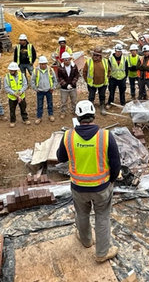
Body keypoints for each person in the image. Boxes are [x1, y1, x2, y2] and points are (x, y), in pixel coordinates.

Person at [56, 101, 121, 263]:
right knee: (102, 217)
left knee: (82, 214)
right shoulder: (105, 136)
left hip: (78, 187)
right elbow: (116, 164)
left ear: (77, 117)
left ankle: (86, 241)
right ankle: (101, 253)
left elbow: (60, 157)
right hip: (101, 187)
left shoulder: (68, 135)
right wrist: (111, 181)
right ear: (93, 116)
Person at [3, 62, 30, 127]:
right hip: (12, 97)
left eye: (13, 70)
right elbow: (6, 87)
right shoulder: (7, 77)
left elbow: (25, 84)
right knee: (12, 109)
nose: (11, 71)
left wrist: (21, 92)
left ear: (16, 70)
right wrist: (15, 94)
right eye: (10, 70)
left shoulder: (21, 75)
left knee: (23, 108)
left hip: (21, 96)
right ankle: (12, 121)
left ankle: (25, 119)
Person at [32, 56, 57, 123]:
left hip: (49, 90)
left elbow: (55, 80)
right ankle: (39, 117)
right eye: (42, 64)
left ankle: (50, 115)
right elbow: (32, 81)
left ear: (46, 63)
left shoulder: (50, 70)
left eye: (44, 64)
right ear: (39, 64)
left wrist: (53, 87)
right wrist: (35, 88)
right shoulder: (36, 71)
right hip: (40, 91)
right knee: (40, 104)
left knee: (50, 103)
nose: (43, 65)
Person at [84, 48, 109, 115]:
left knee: (102, 96)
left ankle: (102, 106)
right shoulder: (89, 61)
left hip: (103, 83)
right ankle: (90, 108)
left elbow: (109, 70)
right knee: (91, 96)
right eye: (94, 55)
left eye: (97, 55)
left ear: (100, 56)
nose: (95, 56)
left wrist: (107, 77)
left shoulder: (105, 61)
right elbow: (84, 72)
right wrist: (87, 81)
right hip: (92, 84)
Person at [57, 52, 80, 119]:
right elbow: (60, 77)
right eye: (65, 60)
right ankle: (63, 112)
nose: (67, 61)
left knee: (74, 101)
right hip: (64, 88)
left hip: (73, 87)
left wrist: (72, 84)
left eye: (68, 59)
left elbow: (76, 75)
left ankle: (75, 111)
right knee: (63, 101)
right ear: (63, 60)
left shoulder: (74, 66)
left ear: (70, 59)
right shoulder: (60, 68)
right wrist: (66, 85)